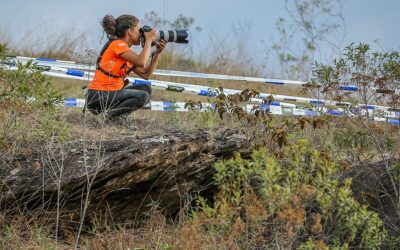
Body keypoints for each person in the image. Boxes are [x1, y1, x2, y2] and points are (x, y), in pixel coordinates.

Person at [86, 14, 166, 119]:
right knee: (142, 96)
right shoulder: (117, 44)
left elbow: (146, 74)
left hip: (110, 95)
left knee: (145, 88)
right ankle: (107, 117)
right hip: (98, 96)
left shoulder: (126, 51)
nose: (141, 33)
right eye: (139, 30)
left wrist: (157, 53)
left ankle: (115, 117)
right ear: (130, 31)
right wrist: (149, 41)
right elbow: (141, 61)